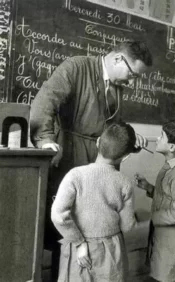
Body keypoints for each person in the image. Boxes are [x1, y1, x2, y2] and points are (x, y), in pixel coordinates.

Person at [30, 40, 152, 280]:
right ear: (118, 59)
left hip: (97, 163)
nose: (132, 81)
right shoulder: (76, 67)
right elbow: (44, 102)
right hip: (68, 157)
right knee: (65, 229)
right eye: (132, 74)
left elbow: (111, 129)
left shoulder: (117, 87)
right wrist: (45, 140)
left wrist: (129, 140)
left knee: (92, 228)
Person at [51, 122, 138, 282]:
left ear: (98, 142)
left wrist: (79, 243)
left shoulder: (75, 175)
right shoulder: (124, 182)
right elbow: (127, 226)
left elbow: (58, 216)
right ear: (125, 157)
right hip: (110, 250)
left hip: (79, 250)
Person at [135, 120, 175, 282]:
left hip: (173, 247)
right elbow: (169, 198)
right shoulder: (170, 166)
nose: (157, 139)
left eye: (161, 136)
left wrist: (153, 217)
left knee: (166, 276)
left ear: (172, 147)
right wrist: (149, 187)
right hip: (164, 241)